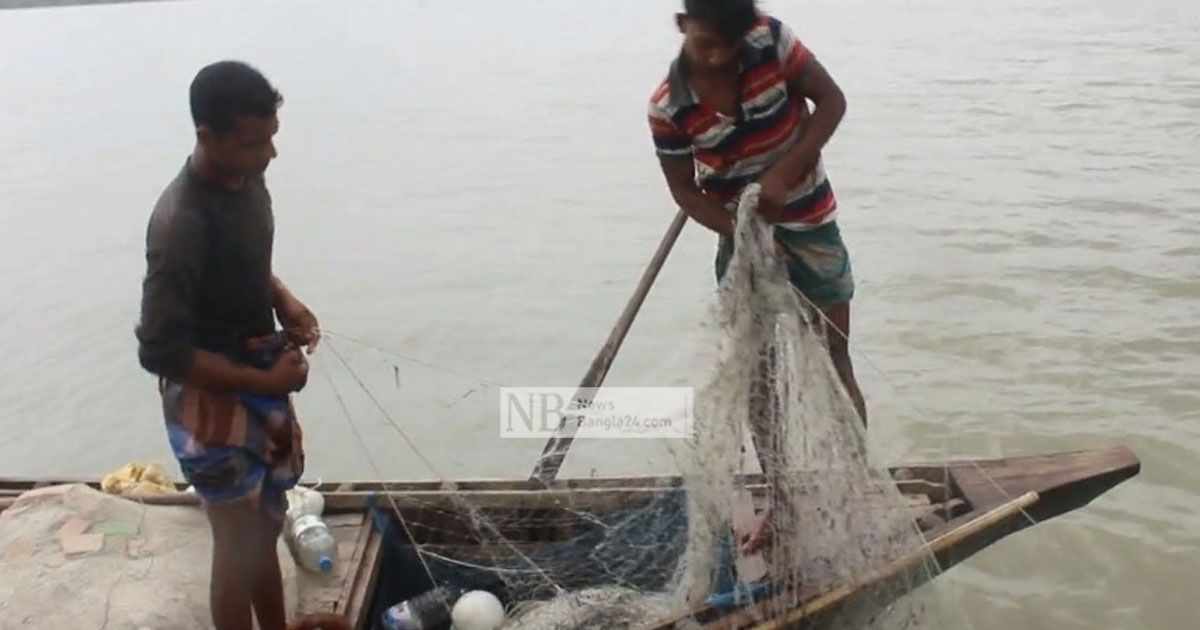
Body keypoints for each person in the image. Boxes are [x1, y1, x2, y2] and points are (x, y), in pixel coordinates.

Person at [646, 0, 864, 556]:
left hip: (811, 223)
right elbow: (685, 191)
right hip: (742, 244)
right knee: (757, 382)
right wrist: (745, 235)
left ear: (747, 33)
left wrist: (782, 173)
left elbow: (831, 103)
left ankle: (859, 495)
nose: (718, 57)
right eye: (705, 44)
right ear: (681, 27)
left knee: (835, 360)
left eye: (729, 45)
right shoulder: (669, 108)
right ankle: (780, 504)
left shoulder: (771, 42)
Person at [135, 60, 321, 630]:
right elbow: (160, 351)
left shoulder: (246, 176)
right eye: (255, 142)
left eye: (271, 138)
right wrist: (266, 383)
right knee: (236, 543)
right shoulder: (179, 224)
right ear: (207, 137)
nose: (270, 154)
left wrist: (283, 299)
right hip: (210, 396)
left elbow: (246, 261)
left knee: (264, 528)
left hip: (257, 365)